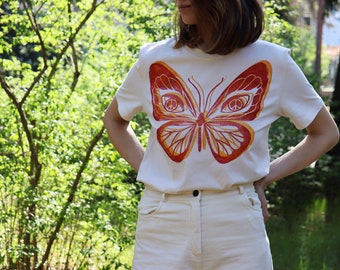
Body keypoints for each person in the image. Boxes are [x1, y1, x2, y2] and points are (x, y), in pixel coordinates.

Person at [103, 0, 339, 269]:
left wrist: (265, 178)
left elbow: (325, 133)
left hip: (237, 224)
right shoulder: (154, 59)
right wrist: (149, 169)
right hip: (162, 222)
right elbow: (114, 119)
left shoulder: (272, 61)